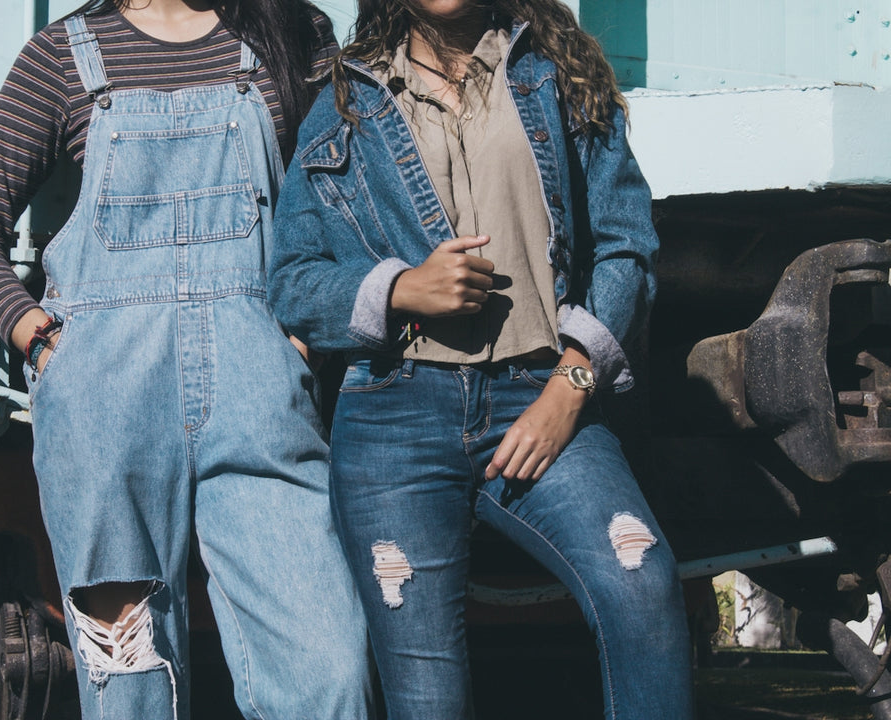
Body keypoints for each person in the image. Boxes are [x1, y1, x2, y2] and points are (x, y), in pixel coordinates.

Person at [0, 1, 372, 718]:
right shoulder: (61, 55)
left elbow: (343, 206)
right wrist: (43, 344)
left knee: (327, 671)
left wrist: (306, 342)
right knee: (130, 682)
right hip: (105, 408)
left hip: (261, 396)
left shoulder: (290, 35)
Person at [268, 0, 695, 717]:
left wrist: (571, 385)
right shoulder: (345, 101)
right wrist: (401, 288)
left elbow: (626, 244)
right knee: (426, 695)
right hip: (394, 417)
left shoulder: (557, 74)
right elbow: (292, 280)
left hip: (540, 394)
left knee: (641, 582)